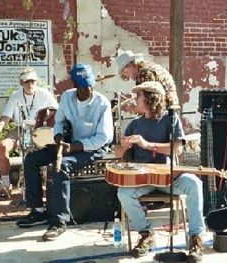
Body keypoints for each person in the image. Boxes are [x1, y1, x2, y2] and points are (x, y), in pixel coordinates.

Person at [16, 63, 114, 241]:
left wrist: (76, 147)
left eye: (90, 84)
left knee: (61, 167)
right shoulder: (67, 97)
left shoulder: (102, 103)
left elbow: (103, 137)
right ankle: (38, 210)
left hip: (92, 148)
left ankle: (59, 221)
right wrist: (59, 136)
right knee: (31, 159)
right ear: (75, 85)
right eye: (83, 86)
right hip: (68, 144)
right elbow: (59, 121)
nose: (88, 89)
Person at [114, 81, 205, 260]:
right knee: (123, 193)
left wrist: (148, 145)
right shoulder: (135, 124)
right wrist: (124, 146)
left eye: (139, 95)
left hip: (168, 178)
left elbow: (178, 149)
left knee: (194, 183)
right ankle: (147, 234)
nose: (136, 99)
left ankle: (195, 238)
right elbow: (117, 152)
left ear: (149, 98)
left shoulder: (170, 119)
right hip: (143, 180)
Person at [0, 67, 59, 194]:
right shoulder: (15, 96)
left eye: (33, 81)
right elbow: (5, 119)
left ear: (36, 82)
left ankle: (48, 184)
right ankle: (6, 183)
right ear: (21, 83)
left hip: (39, 130)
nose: (30, 84)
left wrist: (48, 125)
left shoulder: (45, 94)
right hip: (20, 128)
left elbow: (57, 113)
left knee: (49, 151)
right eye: (27, 82)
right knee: (2, 146)